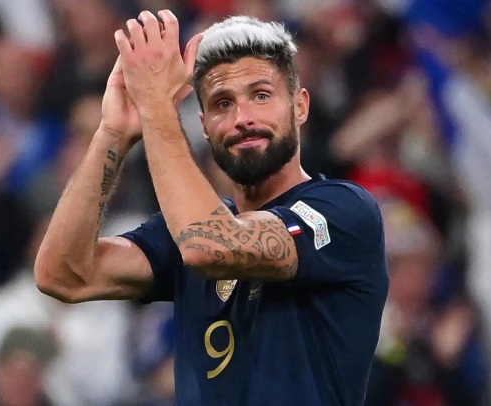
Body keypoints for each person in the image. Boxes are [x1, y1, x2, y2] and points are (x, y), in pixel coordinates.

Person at [35, 10, 389, 405]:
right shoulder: (184, 227)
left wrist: (157, 108)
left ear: (300, 106)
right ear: (204, 126)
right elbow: (63, 274)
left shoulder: (344, 211)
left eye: (261, 95)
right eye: (223, 103)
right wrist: (113, 134)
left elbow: (211, 245)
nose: (242, 118)